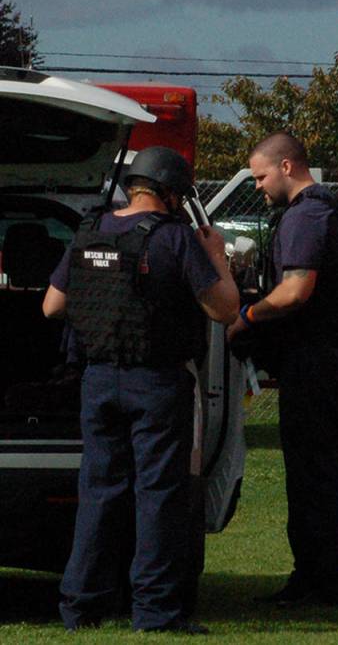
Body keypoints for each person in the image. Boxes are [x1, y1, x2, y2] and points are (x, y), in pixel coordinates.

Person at [43, 146, 240, 634]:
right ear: (172, 193)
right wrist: (217, 258)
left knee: (98, 493)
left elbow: (52, 306)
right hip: (156, 382)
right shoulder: (174, 238)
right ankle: (154, 611)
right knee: (158, 496)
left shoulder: (90, 231)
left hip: (97, 380)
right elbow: (224, 310)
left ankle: (81, 606)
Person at [226, 132, 338, 607]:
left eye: (261, 176)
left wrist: (245, 317)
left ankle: (323, 582)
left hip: (319, 364)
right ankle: (320, 575)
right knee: (322, 476)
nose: (259, 187)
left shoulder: (306, 216)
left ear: (287, 166)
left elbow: (295, 291)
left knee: (313, 478)